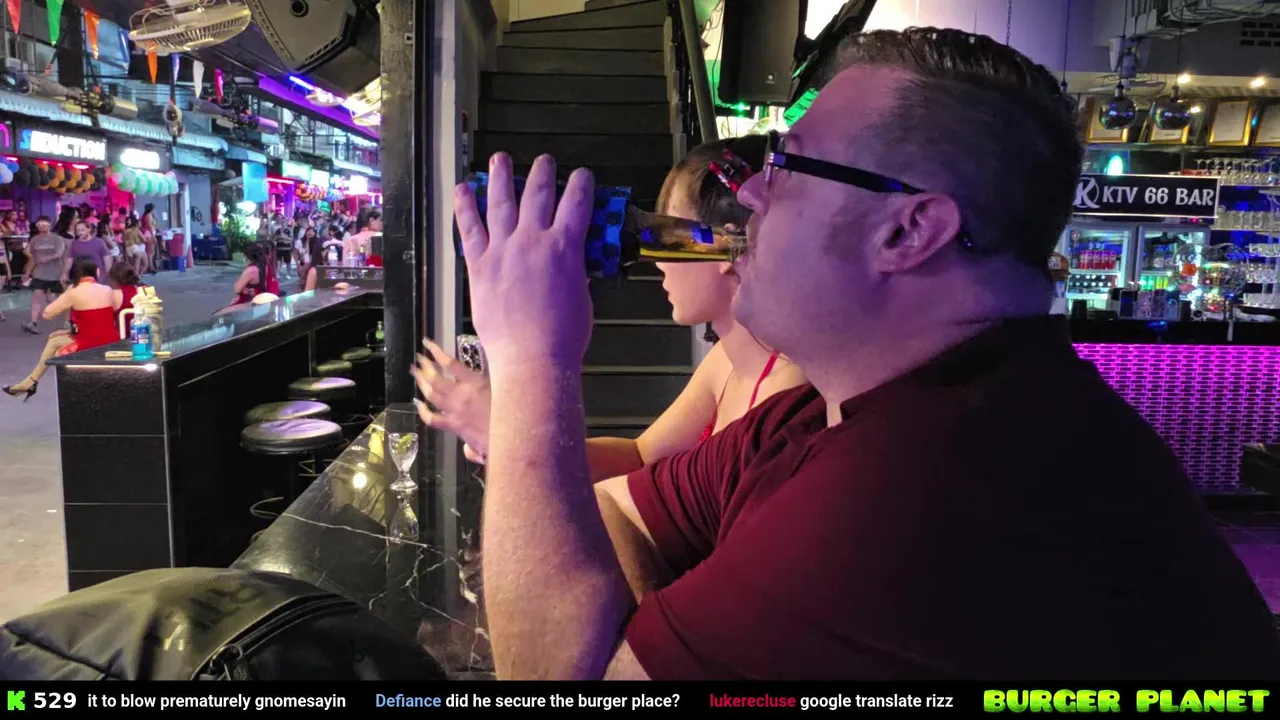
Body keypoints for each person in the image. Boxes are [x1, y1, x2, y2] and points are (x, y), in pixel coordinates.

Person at [452, 28, 1280, 680]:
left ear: (908, 231)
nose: (750, 191)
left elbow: (556, 677)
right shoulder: (831, 410)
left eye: (789, 165)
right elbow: (620, 511)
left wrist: (529, 359)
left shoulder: (939, 477)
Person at [415, 136, 804, 474]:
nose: (657, 259)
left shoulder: (788, 401)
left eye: (668, 233)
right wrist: (510, 437)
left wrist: (515, 434)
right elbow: (640, 458)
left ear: (725, 247)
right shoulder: (726, 363)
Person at [4, 257, 117, 402]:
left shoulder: (74, 292)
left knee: (58, 349)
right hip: (109, 338)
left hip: (89, 342)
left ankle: (33, 383)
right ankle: (30, 381)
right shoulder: (107, 289)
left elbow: (47, 314)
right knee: (55, 339)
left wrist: (67, 293)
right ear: (97, 271)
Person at [20, 217, 64, 336]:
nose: (42, 227)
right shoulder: (35, 239)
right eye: (39, 225)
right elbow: (34, 258)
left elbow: (59, 253)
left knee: (51, 300)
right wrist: (28, 273)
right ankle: (33, 323)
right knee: (36, 296)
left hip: (54, 273)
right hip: (39, 273)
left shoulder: (57, 239)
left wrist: (47, 258)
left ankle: (64, 322)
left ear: (50, 225)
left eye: (44, 224)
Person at [216, 241, 270, 314]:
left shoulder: (250, 270)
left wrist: (240, 286)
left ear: (246, 256)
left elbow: (237, 289)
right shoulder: (265, 267)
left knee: (218, 314)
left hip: (247, 302)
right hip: (259, 301)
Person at [107, 260, 145, 334]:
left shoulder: (115, 294)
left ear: (113, 278)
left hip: (123, 334)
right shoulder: (142, 291)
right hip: (142, 332)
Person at [140, 203, 158, 274]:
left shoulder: (149, 216)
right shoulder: (148, 216)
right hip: (149, 234)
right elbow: (150, 227)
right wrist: (153, 236)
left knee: (151, 252)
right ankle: (151, 267)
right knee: (150, 252)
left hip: (150, 234)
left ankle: (150, 266)